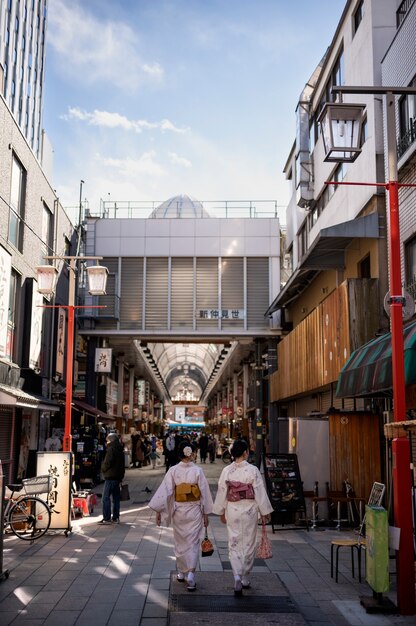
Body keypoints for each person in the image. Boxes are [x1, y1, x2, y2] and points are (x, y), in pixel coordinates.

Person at [148, 441, 214, 591]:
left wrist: (158, 511)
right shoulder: (198, 471)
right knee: (193, 542)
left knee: (180, 541)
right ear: (190, 453)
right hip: (194, 510)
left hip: (179, 510)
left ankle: (181, 572)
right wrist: (206, 514)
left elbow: (165, 492)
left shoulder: (173, 470)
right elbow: (204, 493)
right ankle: (191, 573)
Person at [212, 438, 273, 595]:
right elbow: (259, 491)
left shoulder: (227, 471)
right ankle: (245, 576)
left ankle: (236, 576)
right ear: (245, 453)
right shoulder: (252, 470)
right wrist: (265, 512)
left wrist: (220, 511)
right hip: (249, 510)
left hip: (232, 509)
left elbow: (222, 492)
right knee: (248, 542)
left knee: (233, 541)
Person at [98, 432, 125, 525]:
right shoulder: (120, 448)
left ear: (111, 440)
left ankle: (107, 518)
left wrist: (103, 469)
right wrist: (121, 476)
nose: (106, 443)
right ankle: (116, 517)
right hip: (118, 477)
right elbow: (122, 465)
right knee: (116, 498)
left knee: (105, 498)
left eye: (107, 440)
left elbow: (107, 462)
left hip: (110, 476)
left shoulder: (111, 449)